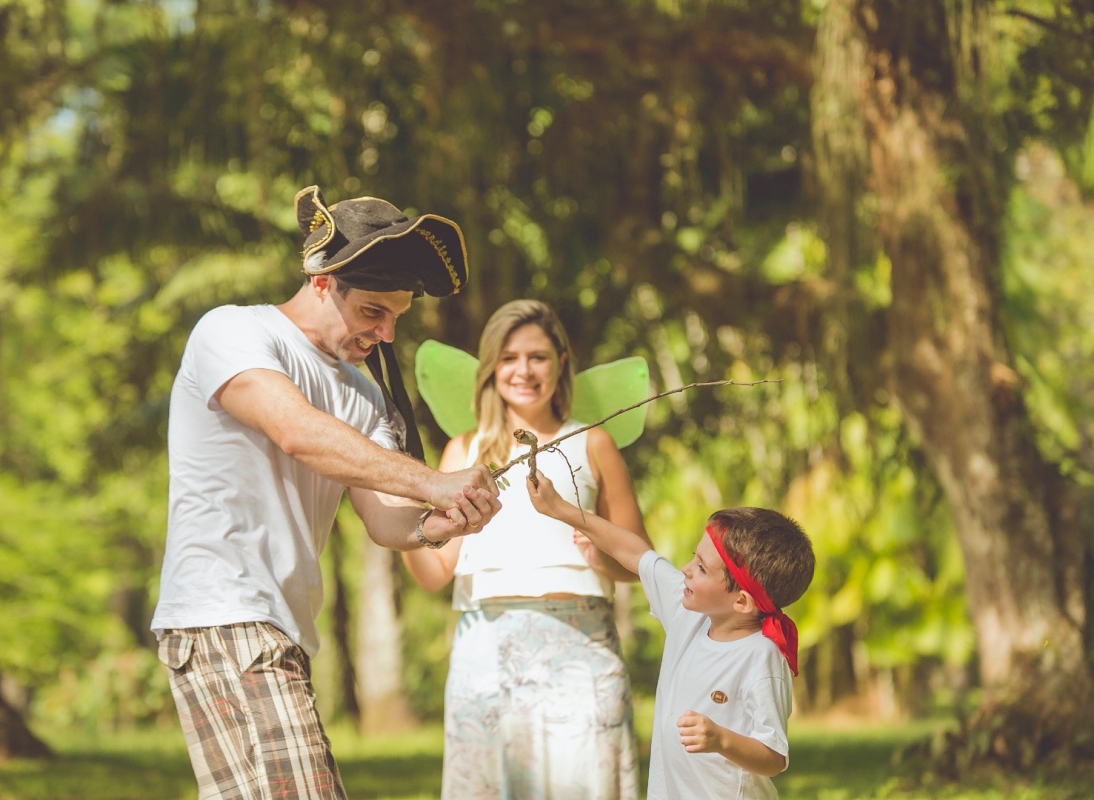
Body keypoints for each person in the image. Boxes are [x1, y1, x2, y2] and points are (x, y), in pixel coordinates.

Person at [151, 185, 503, 800]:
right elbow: (296, 432)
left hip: (281, 628)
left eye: (396, 316)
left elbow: (386, 520)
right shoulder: (233, 332)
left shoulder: (363, 393)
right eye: (373, 312)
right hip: (227, 612)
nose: (387, 334)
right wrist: (432, 481)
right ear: (321, 281)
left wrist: (440, 522)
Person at [403, 299, 649, 800]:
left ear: (562, 362)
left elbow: (639, 559)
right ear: (491, 368)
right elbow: (434, 573)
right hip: (487, 650)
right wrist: (400, 515)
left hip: (582, 648)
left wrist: (602, 559)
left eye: (538, 356)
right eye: (509, 357)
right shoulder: (463, 451)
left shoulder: (594, 442)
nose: (524, 370)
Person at [528, 476, 816, 800]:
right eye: (695, 557)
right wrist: (560, 508)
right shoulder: (687, 610)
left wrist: (720, 739)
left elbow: (773, 757)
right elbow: (636, 553)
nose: (687, 569)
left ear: (742, 602)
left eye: (702, 569)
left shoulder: (761, 657)